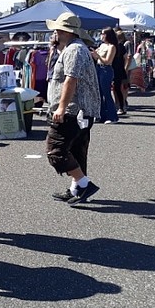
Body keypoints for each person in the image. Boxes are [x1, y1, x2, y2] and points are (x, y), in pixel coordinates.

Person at [45, 12, 102, 205]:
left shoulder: (74, 50)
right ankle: (77, 188)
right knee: (77, 150)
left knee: (56, 150)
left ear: (63, 31)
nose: (54, 33)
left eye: (56, 30)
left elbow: (71, 79)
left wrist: (61, 107)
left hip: (73, 110)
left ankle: (84, 184)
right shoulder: (76, 48)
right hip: (81, 110)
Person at [91, 28, 118, 124]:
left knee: (106, 93)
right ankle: (101, 115)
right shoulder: (101, 45)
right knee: (98, 93)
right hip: (98, 68)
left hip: (106, 70)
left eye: (103, 34)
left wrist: (98, 56)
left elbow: (108, 61)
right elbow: (96, 57)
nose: (101, 36)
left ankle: (112, 116)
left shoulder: (112, 47)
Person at [111, 30, 129, 114]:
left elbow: (126, 57)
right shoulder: (119, 46)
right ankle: (119, 104)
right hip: (119, 69)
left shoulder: (117, 46)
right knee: (117, 88)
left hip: (116, 69)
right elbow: (126, 58)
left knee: (118, 88)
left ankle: (120, 106)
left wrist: (125, 67)